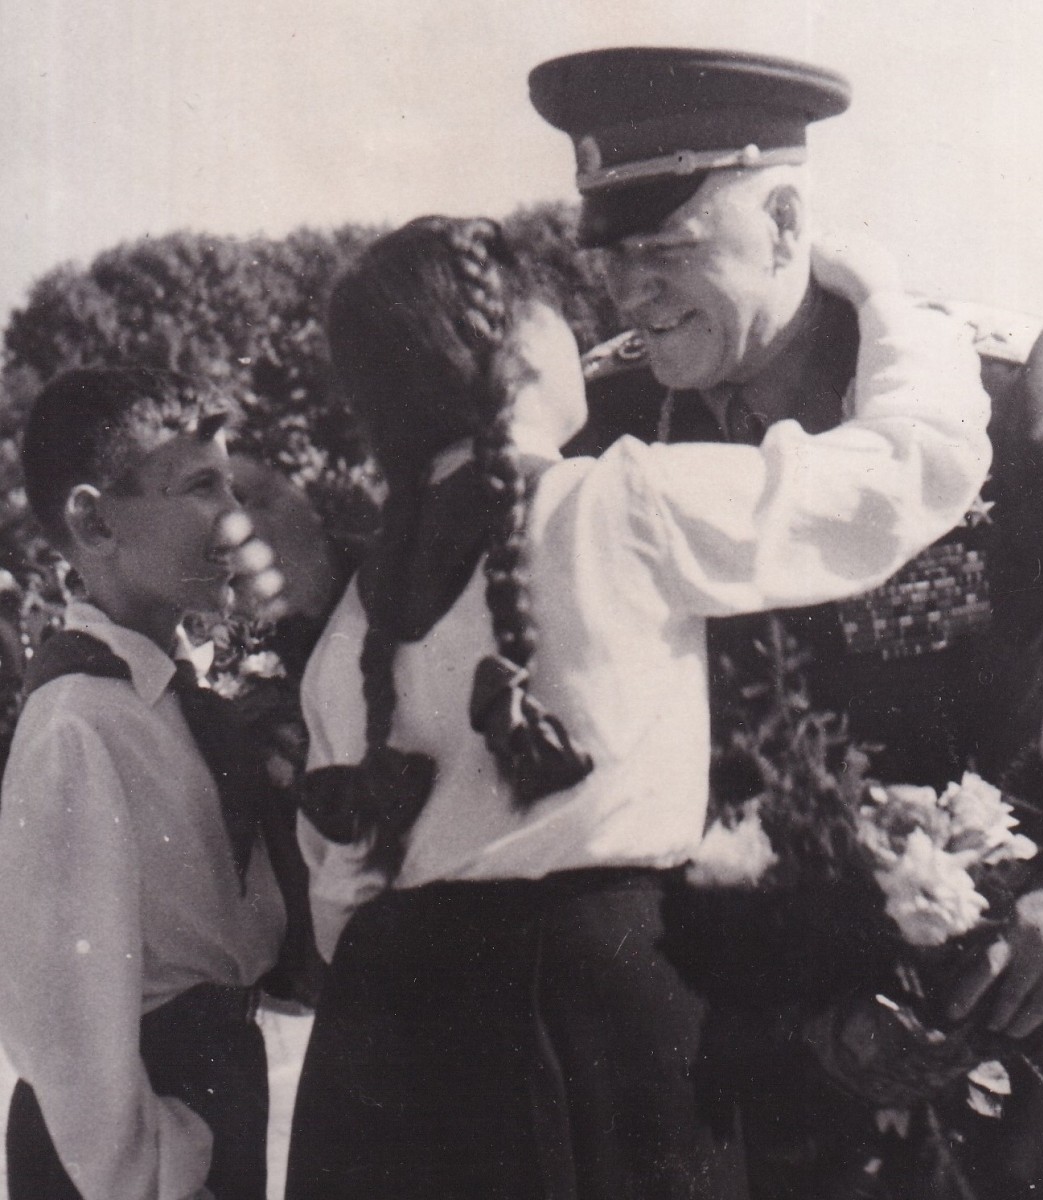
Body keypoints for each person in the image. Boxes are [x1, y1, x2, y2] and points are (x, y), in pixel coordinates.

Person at [528, 45, 1043, 1200]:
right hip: (728, 1064)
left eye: (668, 250)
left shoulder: (997, 391)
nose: (632, 293)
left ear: (785, 219)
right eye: (614, 259)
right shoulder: (603, 424)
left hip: (993, 1036)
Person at [284, 214, 990, 1200]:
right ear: (519, 345)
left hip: (390, 1039)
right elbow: (899, 482)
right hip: (594, 1018)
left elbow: (337, 897)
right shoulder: (616, 505)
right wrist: (886, 305)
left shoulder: (356, 617)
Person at [0, 367, 290, 1200]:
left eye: (231, 483)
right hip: (132, 1147)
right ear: (94, 522)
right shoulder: (77, 725)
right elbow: (66, 1021)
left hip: (210, 1087)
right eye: (201, 486)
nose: (233, 516)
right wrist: (153, 1173)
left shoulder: (174, 701)